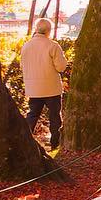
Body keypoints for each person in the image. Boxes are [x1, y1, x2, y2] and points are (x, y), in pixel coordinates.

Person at [20, 18, 68, 150]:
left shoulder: (26, 46)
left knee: (32, 115)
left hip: (33, 88)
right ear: (49, 31)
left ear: (36, 29)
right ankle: (55, 143)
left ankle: (24, 141)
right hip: (51, 87)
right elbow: (61, 67)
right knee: (54, 116)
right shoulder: (53, 46)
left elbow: (22, 66)